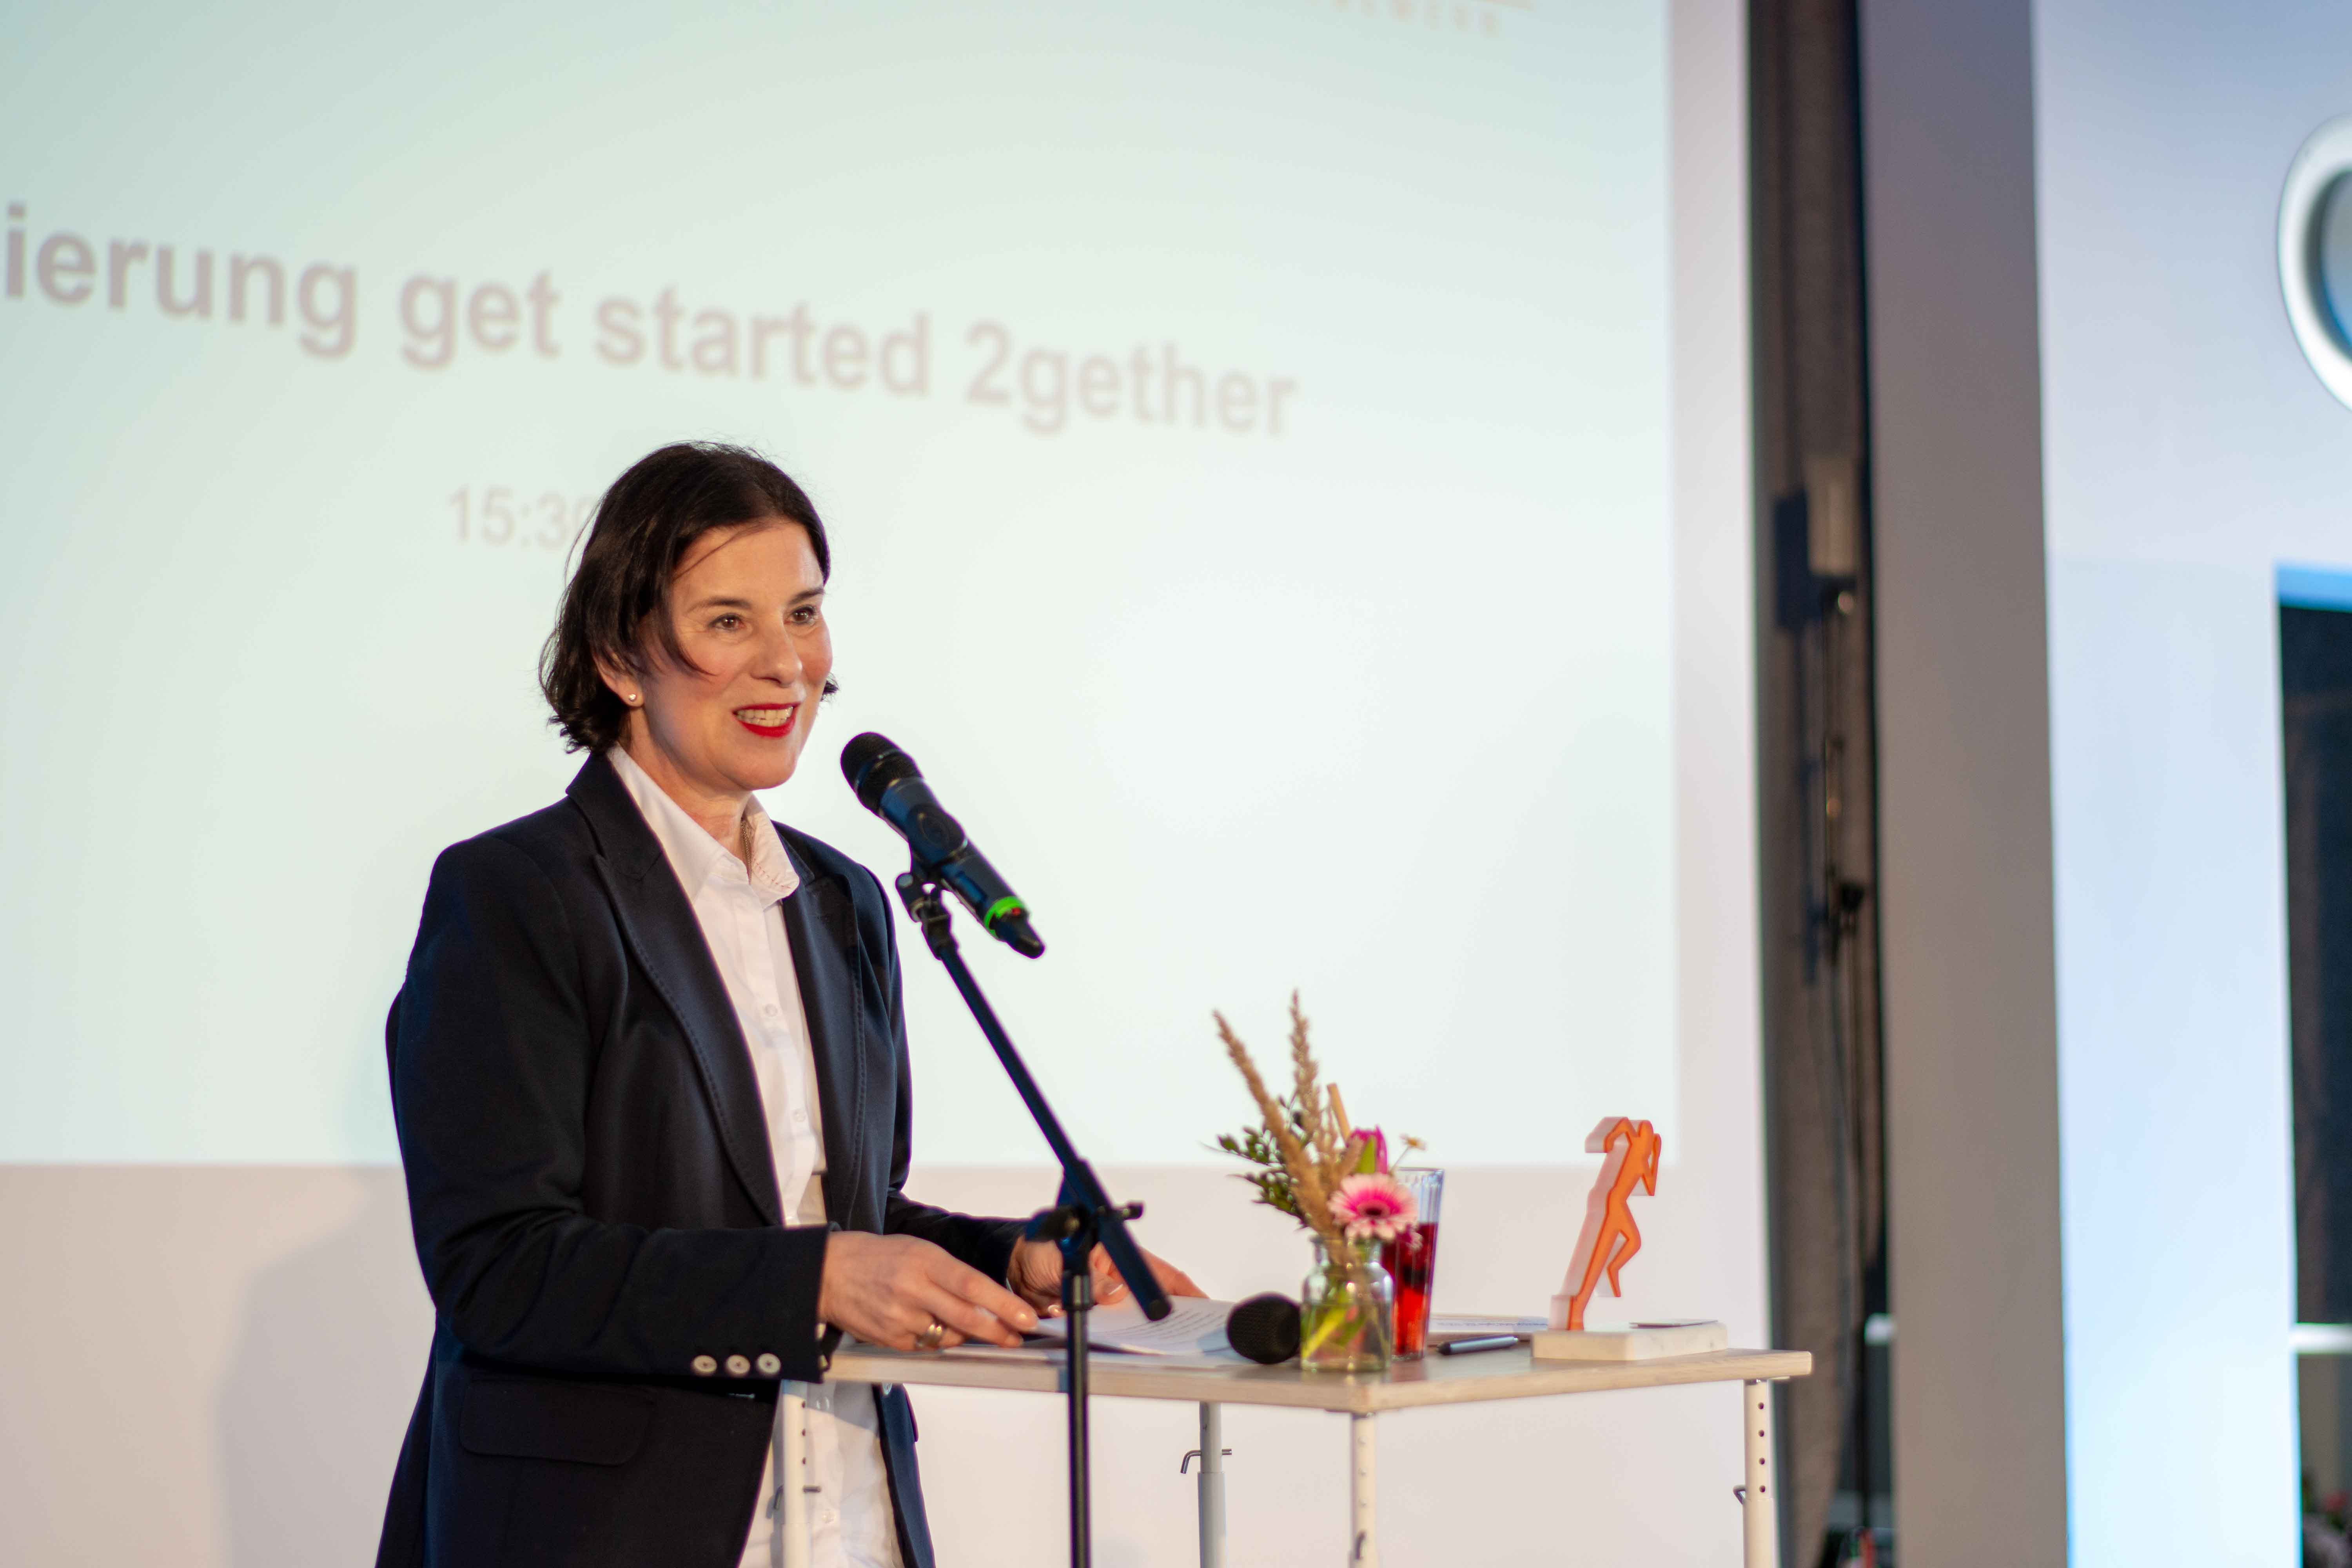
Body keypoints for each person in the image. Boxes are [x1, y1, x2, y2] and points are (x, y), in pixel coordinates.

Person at [375, 443, 1200, 1568]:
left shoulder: (845, 901)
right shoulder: (518, 894)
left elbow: (847, 1215)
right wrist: (812, 1281)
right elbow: (501, 1270)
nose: (785, 664)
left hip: (848, 1512)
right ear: (620, 659)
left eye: (804, 614)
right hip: (614, 1531)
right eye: (728, 621)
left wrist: (1011, 1260)